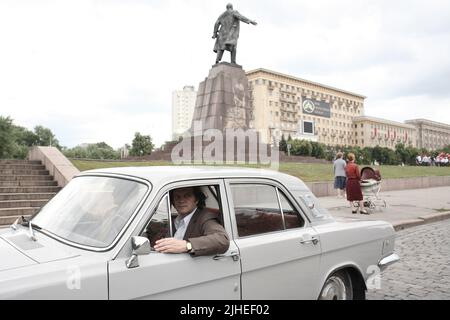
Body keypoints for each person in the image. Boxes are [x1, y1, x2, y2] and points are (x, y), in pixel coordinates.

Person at [153, 187, 230, 257]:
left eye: (187, 196)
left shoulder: (205, 217)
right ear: (173, 201)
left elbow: (222, 240)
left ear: (196, 200)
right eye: (177, 197)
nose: (181, 200)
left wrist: (187, 245)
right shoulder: (172, 220)